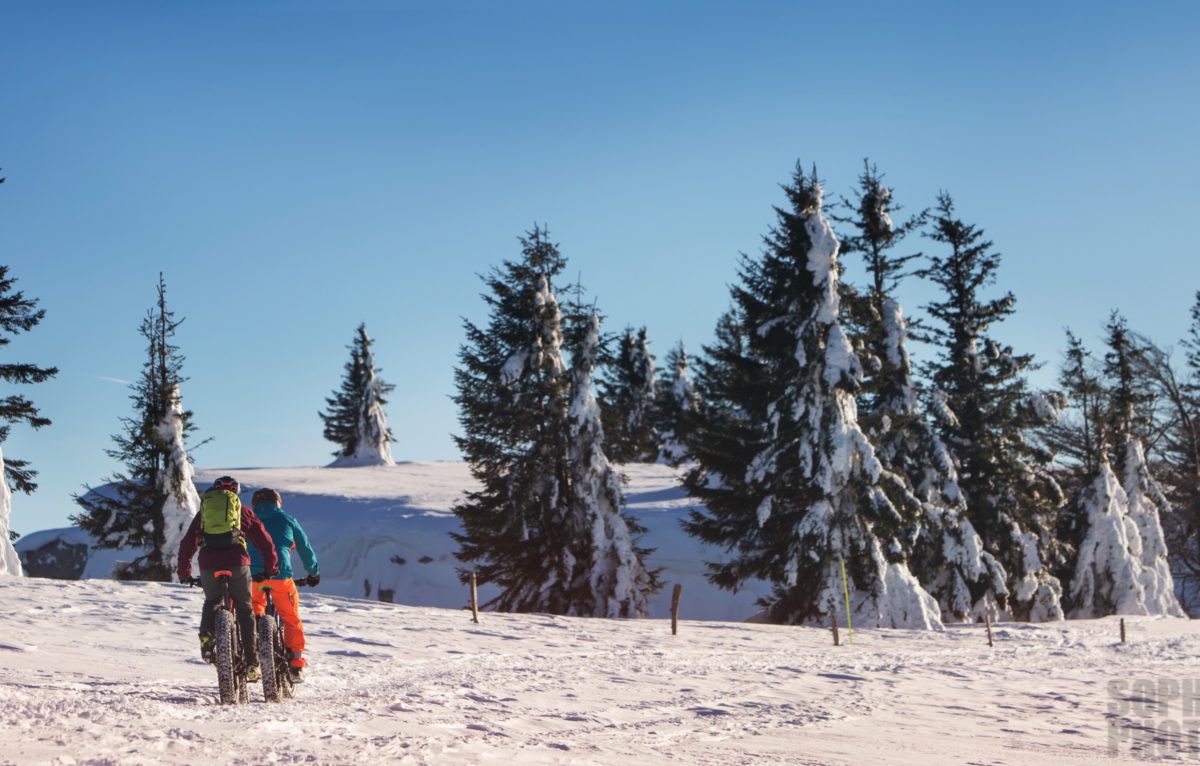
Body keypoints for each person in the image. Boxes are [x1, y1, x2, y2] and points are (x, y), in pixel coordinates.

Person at [177, 475, 279, 682]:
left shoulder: (204, 513)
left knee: (212, 601)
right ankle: (252, 662)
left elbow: (188, 543)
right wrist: (271, 568)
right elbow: (265, 543)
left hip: (208, 564)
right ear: (236, 493)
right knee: (244, 608)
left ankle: (207, 636)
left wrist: (184, 573)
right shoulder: (243, 511)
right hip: (237, 562)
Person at [248, 487, 319, 683]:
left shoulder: (247, 519)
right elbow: (304, 548)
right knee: (290, 617)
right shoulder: (288, 519)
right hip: (281, 577)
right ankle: (296, 665)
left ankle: (251, 654)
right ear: (277, 503)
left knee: (252, 614)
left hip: (254, 578)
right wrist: (313, 573)